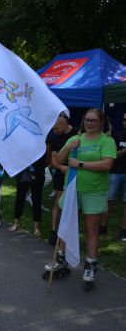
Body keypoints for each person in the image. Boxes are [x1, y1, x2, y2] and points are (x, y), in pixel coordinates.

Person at [50, 108, 116, 286]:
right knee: (65, 225)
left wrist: (80, 164)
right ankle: (62, 259)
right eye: (87, 120)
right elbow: (59, 160)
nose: (89, 123)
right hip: (72, 189)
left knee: (91, 229)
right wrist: (69, 147)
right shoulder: (74, 139)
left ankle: (90, 265)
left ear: (101, 122)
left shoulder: (106, 141)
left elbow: (107, 164)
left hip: (94, 191)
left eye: (93, 120)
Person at [48, 114, 78, 245]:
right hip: (61, 173)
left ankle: (68, 232)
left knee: (73, 204)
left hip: (77, 172)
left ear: (64, 124)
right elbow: (53, 160)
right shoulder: (55, 138)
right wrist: (60, 167)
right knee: (59, 202)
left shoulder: (77, 133)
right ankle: (54, 231)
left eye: (56, 128)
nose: (54, 131)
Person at [9, 150, 49, 237]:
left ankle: (36, 227)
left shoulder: (41, 143)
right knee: (20, 198)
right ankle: (16, 223)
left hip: (37, 173)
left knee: (36, 200)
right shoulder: (23, 143)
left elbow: (45, 158)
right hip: (23, 172)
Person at [100, 112, 126, 242]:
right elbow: (112, 154)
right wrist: (123, 151)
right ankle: (103, 226)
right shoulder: (118, 136)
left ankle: (124, 230)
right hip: (115, 172)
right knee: (109, 201)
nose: (125, 122)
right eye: (124, 119)